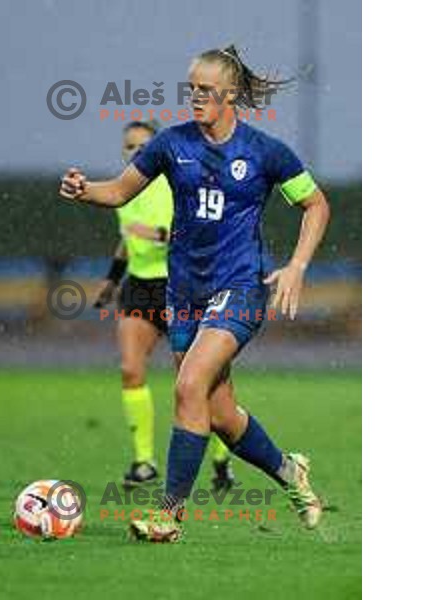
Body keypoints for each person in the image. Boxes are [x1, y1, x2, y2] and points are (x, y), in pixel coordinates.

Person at [59, 45, 330, 543]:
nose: (195, 97)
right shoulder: (170, 144)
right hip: (183, 294)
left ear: (229, 94)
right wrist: (84, 189)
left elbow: (316, 204)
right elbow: (118, 191)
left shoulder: (265, 151)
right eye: (191, 89)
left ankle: (169, 517)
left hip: (241, 288)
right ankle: (290, 473)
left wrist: (297, 266)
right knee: (221, 414)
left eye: (205, 90)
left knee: (187, 388)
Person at [93, 120, 235, 490]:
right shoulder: (122, 190)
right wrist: (111, 279)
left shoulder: (179, 184)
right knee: (129, 368)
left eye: (144, 146)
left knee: (197, 382)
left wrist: (157, 234)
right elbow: (127, 240)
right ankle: (143, 462)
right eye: (129, 147)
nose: (136, 152)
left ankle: (221, 458)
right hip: (139, 288)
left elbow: (205, 234)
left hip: (182, 286)